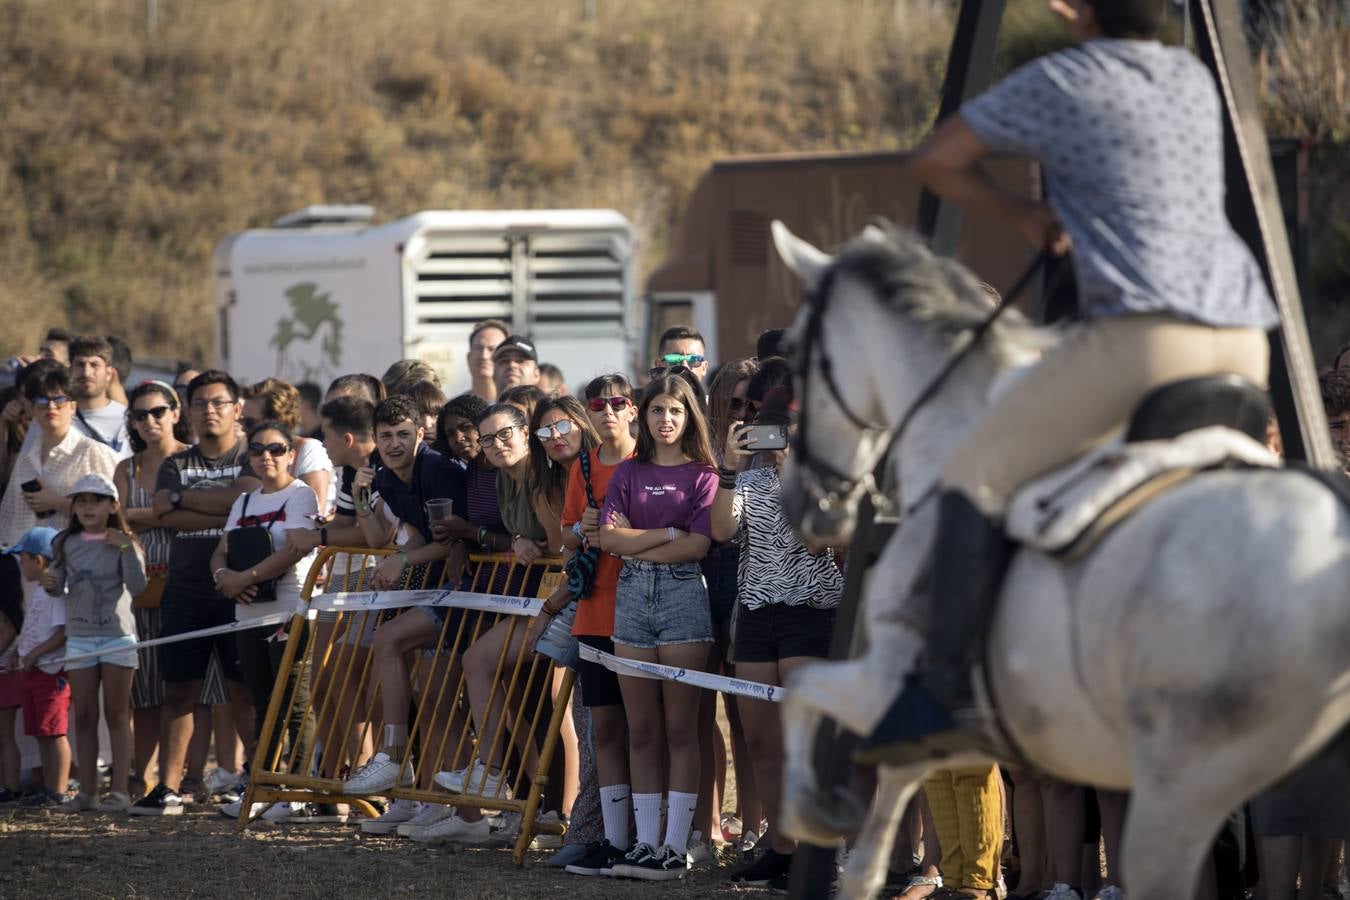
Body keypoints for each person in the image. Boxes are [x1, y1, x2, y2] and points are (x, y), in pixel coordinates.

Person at [863, 0, 1278, 761]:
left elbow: (936, 158)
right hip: (1248, 336)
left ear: (1072, 9)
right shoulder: (1192, 77)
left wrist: (1021, 214)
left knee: (972, 470)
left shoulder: (1063, 75)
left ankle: (947, 694)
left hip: (1145, 338)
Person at [711, 382, 843, 889]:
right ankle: (781, 848)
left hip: (811, 611)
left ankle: (818, 852)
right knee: (762, 739)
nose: (776, 436)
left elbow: (816, 540)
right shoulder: (748, 476)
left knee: (806, 739)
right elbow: (722, 532)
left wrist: (791, 467)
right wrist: (728, 467)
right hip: (757, 612)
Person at [599, 373, 718, 881]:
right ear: (641, 416)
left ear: (690, 415)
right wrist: (667, 531)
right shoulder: (628, 472)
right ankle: (645, 843)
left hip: (684, 596)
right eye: (656, 411)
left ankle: (675, 845)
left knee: (679, 727)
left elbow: (698, 546)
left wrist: (641, 538)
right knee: (641, 728)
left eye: (675, 410)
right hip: (631, 599)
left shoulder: (703, 474)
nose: (665, 420)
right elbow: (608, 540)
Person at [131, 371, 260, 816]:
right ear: (188, 411)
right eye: (201, 403)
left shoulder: (252, 453)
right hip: (185, 589)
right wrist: (224, 504)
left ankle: (257, 780)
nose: (210, 410)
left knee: (243, 690)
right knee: (178, 692)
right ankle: (166, 788)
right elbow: (164, 516)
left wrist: (188, 500)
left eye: (220, 402)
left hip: (239, 586)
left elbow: (245, 502)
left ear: (237, 408)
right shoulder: (175, 462)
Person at [341, 397, 467, 796]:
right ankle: (456, 810)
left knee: (450, 700)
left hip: (473, 588)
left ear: (419, 434)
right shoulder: (384, 475)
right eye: (385, 436)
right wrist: (360, 498)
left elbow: (452, 541)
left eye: (403, 434)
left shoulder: (437, 469)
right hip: (441, 589)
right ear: (374, 440)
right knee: (434, 702)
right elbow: (378, 538)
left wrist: (403, 559)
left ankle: (395, 758)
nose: (394, 443)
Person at [210, 421, 319, 820]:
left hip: (289, 607)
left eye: (275, 449)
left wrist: (245, 577)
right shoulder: (243, 502)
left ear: (291, 454)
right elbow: (220, 551)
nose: (266, 457)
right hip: (247, 612)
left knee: (294, 701)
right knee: (262, 701)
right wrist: (224, 578)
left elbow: (292, 551)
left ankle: (298, 789)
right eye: (257, 450)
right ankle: (263, 785)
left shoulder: (301, 494)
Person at [561, 374, 640, 878]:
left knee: (650, 729)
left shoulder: (649, 460)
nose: (608, 411)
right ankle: (612, 838)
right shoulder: (583, 466)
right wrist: (581, 530)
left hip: (642, 609)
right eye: (598, 404)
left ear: (632, 409)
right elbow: (566, 538)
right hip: (593, 608)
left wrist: (616, 531)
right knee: (605, 729)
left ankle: (661, 836)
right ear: (588, 413)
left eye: (617, 403)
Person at [43, 473, 145, 813]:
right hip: (80, 638)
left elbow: (139, 586)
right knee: (84, 715)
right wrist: (49, 581)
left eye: (96, 500)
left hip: (118, 636)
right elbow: (56, 588)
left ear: (113, 506)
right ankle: (87, 793)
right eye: (81, 501)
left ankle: (119, 792)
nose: (87, 507)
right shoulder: (63, 542)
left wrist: (127, 549)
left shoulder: (125, 540)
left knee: (117, 714)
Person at [112, 381, 191, 800]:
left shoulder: (191, 461)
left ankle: (177, 779)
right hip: (139, 587)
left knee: (183, 687)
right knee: (143, 692)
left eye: (158, 411)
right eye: (140, 415)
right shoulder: (126, 467)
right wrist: (163, 514)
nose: (149, 421)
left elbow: (188, 517)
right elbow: (118, 522)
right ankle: (139, 777)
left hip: (184, 581)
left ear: (175, 413)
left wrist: (144, 516)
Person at [0, 364, 119, 548]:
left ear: (72, 407)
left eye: (60, 400)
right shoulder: (26, 456)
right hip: (23, 565)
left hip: (74, 563)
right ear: (31, 408)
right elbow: (9, 515)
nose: (51, 407)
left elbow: (115, 512)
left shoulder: (93, 452)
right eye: (42, 401)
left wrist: (58, 502)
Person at [0, 527, 70, 808]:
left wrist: (36, 653)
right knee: (43, 732)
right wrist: (20, 650)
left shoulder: (56, 592)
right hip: (33, 670)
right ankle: (48, 789)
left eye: (23, 559)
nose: (21, 566)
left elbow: (63, 632)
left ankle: (59, 791)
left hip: (51, 671)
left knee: (55, 733)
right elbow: (33, 627)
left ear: (38, 561)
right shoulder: (40, 590)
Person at [243, 378, 334, 517]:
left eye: (250, 422)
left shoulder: (309, 449)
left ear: (276, 421)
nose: (243, 428)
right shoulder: (252, 452)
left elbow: (312, 515)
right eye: (241, 421)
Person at [67, 335, 132, 460]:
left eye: (94, 365)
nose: (86, 373)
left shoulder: (129, 419)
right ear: (70, 371)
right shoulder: (57, 416)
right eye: (80, 365)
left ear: (109, 373)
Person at [467, 319, 509, 401]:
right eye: (478, 348)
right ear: (468, 358)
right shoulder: (451, 409)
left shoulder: (517, 410)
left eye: (492, 349)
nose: (484, 356)